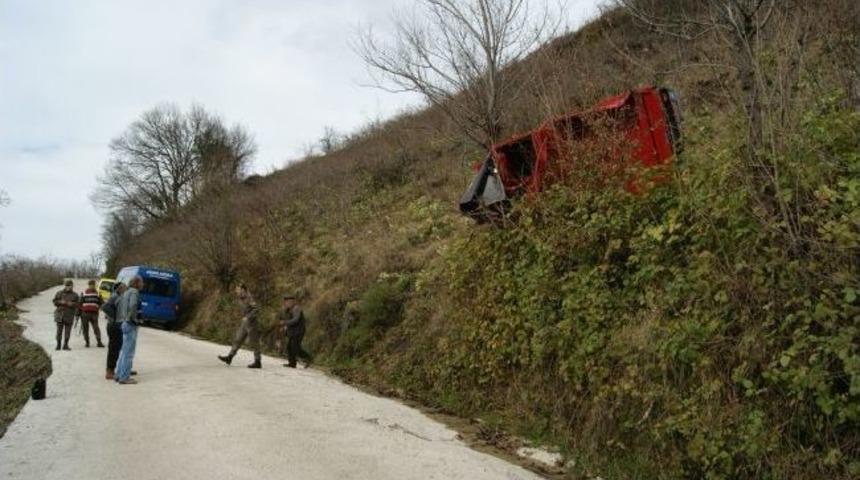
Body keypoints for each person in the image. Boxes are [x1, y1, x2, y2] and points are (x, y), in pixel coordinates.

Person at [218, 283, 261, 368]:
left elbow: (256, 309)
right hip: (244, 323)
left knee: (254, 342)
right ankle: (230, 357)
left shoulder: (250, 297)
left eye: (238, 289)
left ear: (243, 290)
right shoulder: (240, 298)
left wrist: (248, 317)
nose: (236, 291)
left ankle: (258, 361)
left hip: (252, 323)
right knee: (238, 339)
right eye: (236, 289)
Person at [115, 275, 143, 385]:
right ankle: (124, 377)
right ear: (137, 283)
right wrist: (134, 319)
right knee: (129, 352)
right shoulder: (135, 292)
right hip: (130, 324)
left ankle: (118, 374)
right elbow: (133, 305)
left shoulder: (126, 292)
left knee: (124, 351)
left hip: (124, 323)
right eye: (141, 282)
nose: (143, 284)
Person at [101, 282, 127, 380]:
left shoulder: (119, 296)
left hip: (117, 326)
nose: (126, 290)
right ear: (119, 289)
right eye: (125, 288)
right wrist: (115, 317)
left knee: (119, 348)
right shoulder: (115, 296)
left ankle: (121, 368)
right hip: (114, 326)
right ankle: (109, 371)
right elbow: (104, 307)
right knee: (113, 349)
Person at [281, 294, 312, 368]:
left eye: (288, 302)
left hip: (299, 331)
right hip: (293, 331)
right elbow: (288, 320)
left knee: (295, 347)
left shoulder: (296, 308)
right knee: (289, 347)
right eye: (285, 302)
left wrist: (285, 322)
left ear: (292, 302)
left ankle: (308, 358)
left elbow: (295, 320)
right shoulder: (288, 310)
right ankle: (292, 363)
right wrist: (285, 327)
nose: (286, 303)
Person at [52, 280, 79, 351]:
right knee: (59, 331)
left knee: (68, 331)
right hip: (60, 314)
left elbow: (78, 305)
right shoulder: (59, 293)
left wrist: (72, 304)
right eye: (67, 286)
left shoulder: (75, 295)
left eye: (70, 286)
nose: (69, 287)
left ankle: (66, 345)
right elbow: (54, 301)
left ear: (72, 286)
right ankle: (58, 345)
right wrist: (60, 302)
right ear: (65, 286)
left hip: (69, 315)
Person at [77, 279, 104, 348]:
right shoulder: (84, 292)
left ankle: (99, 342)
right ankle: (87, 342)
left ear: (95, 285)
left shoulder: (98, 293)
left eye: (93, 285)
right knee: (85, 329)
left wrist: (100, 307)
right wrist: (79, 313)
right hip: (85, 313)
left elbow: (101, 302)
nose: (92, 286)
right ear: (88, 285)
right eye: (91, 285)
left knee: (96, 328)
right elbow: (80, 303)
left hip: (94, 314)